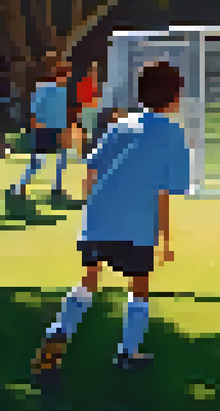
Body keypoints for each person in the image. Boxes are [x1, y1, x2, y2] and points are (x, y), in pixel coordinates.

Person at [30, 61, 191, 387]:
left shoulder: (119, 125)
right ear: (175, 98)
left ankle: (57, 336)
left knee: (88, 280)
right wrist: (166, 239)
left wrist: (93, 209)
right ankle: (128, 352)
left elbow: (92, 171)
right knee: (140, 286)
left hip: (97, 219)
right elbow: (165, 192)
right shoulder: (173, 133)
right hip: (136, 225)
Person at [11, 61, 72, 200]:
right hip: (43, 129)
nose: (68, 77)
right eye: (66, 74)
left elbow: (61, 112)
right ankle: (19, 186)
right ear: (59, 75)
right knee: (37, 163)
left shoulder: (63, 90)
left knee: (62, 160)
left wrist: (65, 129)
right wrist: (35, 126)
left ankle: (57, 189)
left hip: (58, 130)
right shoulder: (44, 88)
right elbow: (34, 107)